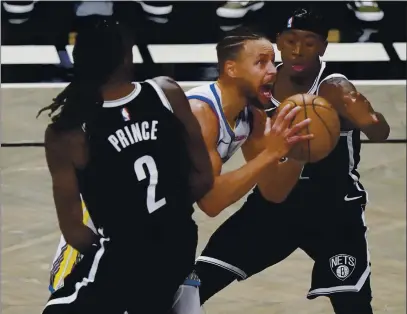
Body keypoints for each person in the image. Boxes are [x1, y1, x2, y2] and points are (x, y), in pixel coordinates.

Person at [191, 8, 390, 314]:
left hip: (334, 209)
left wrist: (371, 120)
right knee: (196, 284)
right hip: (274, 204)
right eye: (290, 40)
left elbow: (379, 132)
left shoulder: (335, 88)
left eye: (309, 43)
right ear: (279, 42)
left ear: (323, 46)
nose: (298, 50)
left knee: (354, 306)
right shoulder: (262, 85)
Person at [37, 19, 214, 314]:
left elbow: (75, 232)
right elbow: (204, 177)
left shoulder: (67, 132)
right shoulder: (166, 92)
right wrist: (165, 219)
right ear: (126, 56)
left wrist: (124, 253)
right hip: (180, 242)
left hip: (125, 255)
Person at [171, 28, 314, 313]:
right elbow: (210, 202)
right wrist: (271, 153)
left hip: (167, 230)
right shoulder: (202, 113)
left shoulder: (252, 117)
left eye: (273, 62)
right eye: (261, 62)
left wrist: (296, 154)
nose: (272, 70)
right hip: (113, 225)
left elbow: (273, 193)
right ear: (231, 69)